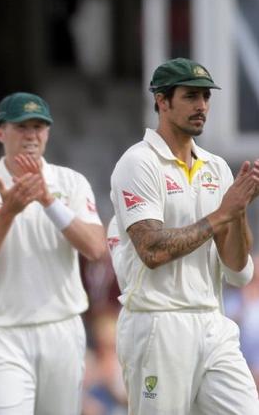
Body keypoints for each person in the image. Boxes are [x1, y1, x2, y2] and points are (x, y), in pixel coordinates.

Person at [110, 57, 259, 414]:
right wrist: (223, 212)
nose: (202, 107)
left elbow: (239, 270)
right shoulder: (138, 163)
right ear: (162, 101)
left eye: (206, 97)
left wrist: (238, 212)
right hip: (156, 323)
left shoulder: (216, 167)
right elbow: (151, 249)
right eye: (191, 96)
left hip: (212, 321)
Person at [0, 91, 107, 414]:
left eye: (39, 127)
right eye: (22, 127)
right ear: (1, 132)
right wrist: (7, 212)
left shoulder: (71, 183)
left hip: (62, 329)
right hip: (2, 333)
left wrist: (49, 202)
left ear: (48, 133)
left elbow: (95, 247)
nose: (31, 135)